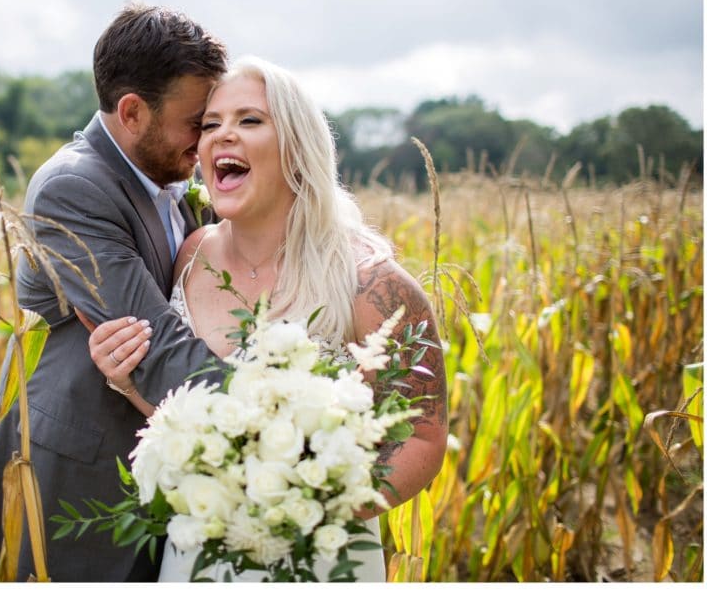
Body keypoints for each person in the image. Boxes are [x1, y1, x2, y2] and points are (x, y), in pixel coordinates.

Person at [87, 56, 449, 582]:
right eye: (211, 124)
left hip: (321, 558)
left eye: (249, 120)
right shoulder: (190, 259)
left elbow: (424, 435)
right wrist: (126, 377)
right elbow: (190, 409)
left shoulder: (371, 281)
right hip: (201, 556)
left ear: (298, 144)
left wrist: (319, 507)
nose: (221, 136)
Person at [0, 1, 228, 582]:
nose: (207, 139)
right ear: (133, 112)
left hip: (157, 464)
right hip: (77, 483)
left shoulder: (173, 178)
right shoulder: (74, 188)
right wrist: (274, 420)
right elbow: (154, 344)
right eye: (197, 122)